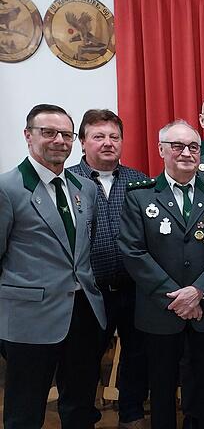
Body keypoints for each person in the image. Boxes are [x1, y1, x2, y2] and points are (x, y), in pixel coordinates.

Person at [117, 119, 204, 429]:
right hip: (161, 310)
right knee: (160, 387)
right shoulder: (140, 196)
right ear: (161, 150)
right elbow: (133, 251)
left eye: (193, 147)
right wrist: (175, 297)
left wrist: (198, 291)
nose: (186, 152)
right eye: (177, 146)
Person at [0, 104, 106, 428]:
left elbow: (84, 249)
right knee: (25, 412)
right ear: (28, 136)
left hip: (83, 314)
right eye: (49, 132)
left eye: (66, 134)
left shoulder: (84, 187)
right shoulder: (8, 188)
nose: (59, 140)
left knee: (80, 409)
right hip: (30, 320)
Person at [67, 109, 149, 429]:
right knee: (84, 361)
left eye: (114, 137)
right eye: (98, 136)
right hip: (89, 292)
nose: (107, 143)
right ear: (83, 142)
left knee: (136, 356)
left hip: (133, 287)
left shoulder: (139, 181)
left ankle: (131, 414)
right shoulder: (69, 181)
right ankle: (83, 417)